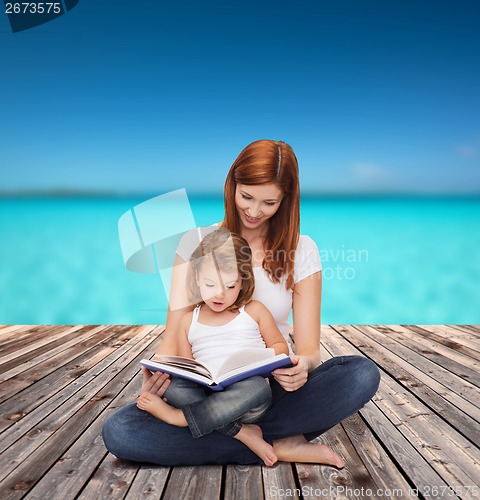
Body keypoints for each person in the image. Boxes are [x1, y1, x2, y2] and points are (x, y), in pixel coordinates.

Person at [102, 139, 380, 467]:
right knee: (119, 431)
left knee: (361, 374)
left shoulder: (302, 250)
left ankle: (228, 435)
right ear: (232, 184)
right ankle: (269, 440)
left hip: (266, 387)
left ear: (286, 201)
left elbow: (309, 350)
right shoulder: (195, 243)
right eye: (246, 196)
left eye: (268, 203)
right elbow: (175, 338)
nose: (253, 211)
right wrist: (159, 376)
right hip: (201, 389)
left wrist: (301, 368)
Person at [137, 228, 289, 466]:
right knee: (173, 386)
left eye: (230, 286)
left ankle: (179, 418)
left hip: (247, 399)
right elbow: (188, 370)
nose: (219, 294)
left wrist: (262, 358)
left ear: (243, 282)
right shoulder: (189, 321)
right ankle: (240, 432)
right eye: (210, 284)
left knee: (258, 387)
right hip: (208, 398)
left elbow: (280, 346)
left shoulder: (254, 311)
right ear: (197, 279)